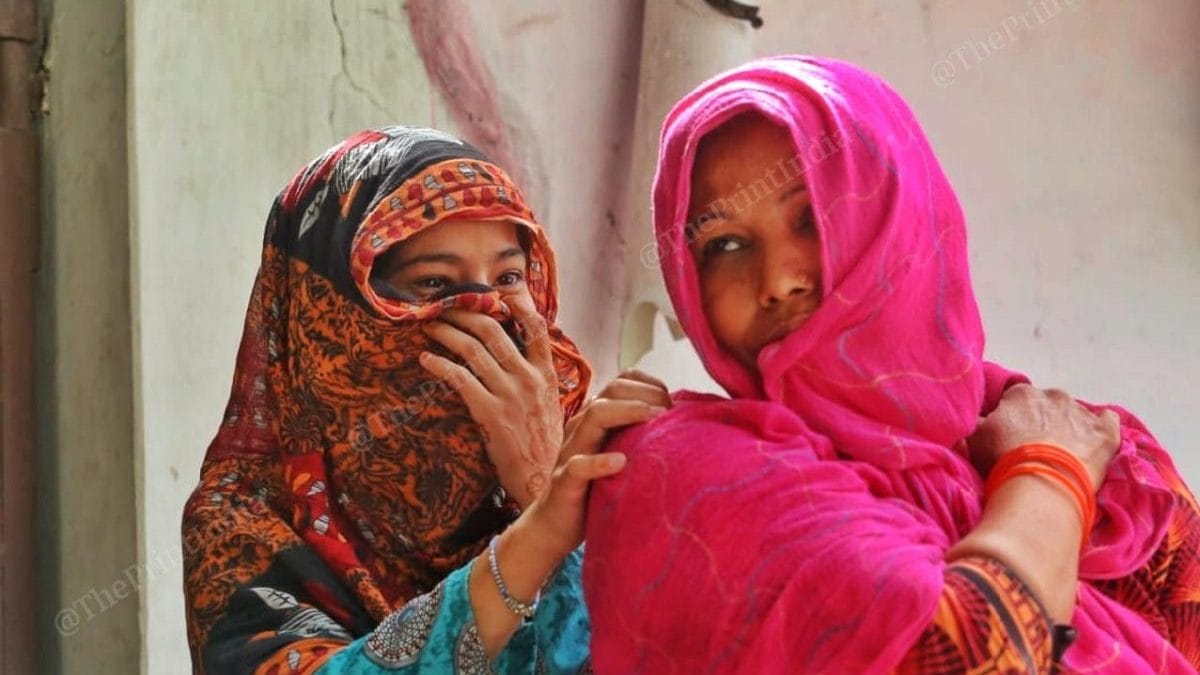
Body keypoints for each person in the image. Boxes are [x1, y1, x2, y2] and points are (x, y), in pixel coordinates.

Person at [583, 56, 1200, 673]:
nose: (776, 281)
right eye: (725, 245)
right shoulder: (689, 474)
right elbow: (964, 660)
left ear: (900, 223)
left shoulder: (1110, 467)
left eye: (814, 218)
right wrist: (1047, 476)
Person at [181, 126, 669, 674]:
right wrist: (542, 528)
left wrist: (539, 488)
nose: (486, 312)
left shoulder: (583, 470)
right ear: (332, 318)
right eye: (435, 284)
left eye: (508, 278)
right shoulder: (245, 515)